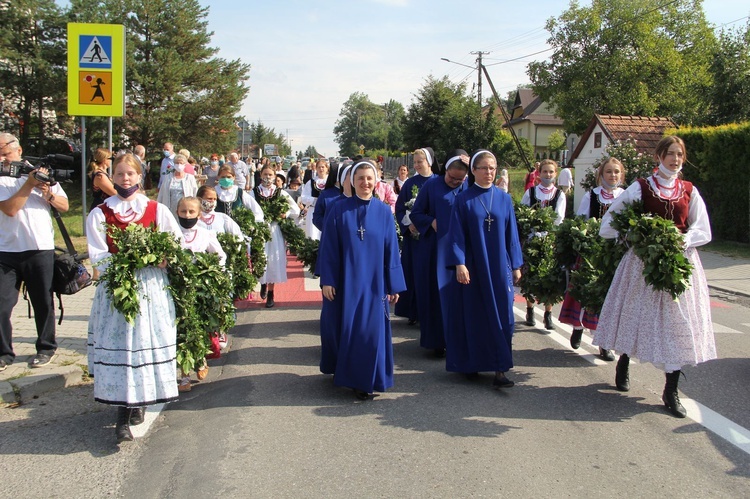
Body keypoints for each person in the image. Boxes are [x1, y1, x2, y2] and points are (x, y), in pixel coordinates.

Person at [594, 136, 715, 418]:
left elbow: (703, 229)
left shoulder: (689, 190)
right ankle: (623, 359)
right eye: (670, 154)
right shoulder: (641, 187)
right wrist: (638, 237)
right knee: (637, 316)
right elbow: (609, 224)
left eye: (680, 155)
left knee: (678, 325)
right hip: (643, 264)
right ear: (659, 156)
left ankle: (670, 389)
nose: (675, 159)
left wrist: (683, 240)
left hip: (679, 264)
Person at [86, 153, 183, 443]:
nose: (125, 178)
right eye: (119, 174)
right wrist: (124, 262)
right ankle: (122, 410)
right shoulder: (101, 213)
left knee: (144, 341)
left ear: (140, 177)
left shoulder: (157, 209)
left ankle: (140, 400)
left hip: (150, 286)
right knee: (122, 343)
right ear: (111, 177)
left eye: (130, 174)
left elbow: (174, 243)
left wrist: (165, 257)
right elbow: (98, 255)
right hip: (118, 286)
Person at [318, 159, 406, 399]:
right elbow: (329, 247)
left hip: (374, 282)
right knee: (348, 329)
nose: (365, 183)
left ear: (376, 181)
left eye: (369, 178)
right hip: (346, 281)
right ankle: (353, 378)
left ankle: (369, 379)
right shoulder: (338, 209)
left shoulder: (384, 212)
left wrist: (393, 283)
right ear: (352, 182)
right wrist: (328, 279)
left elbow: (391, 249)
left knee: (371, 331)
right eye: (360, 179)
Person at [445, 149, 523, 388]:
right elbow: (456, 235)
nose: (489, 172)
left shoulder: (504, 198)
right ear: (474, 171)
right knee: (475, 316)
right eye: (484, 168)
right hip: (474, 267)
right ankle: (472, 364)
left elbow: (512, 234)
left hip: (499, 266)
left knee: (503, 317)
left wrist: (516, 264)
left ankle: (500, 369)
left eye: (492, 168)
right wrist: (460, 263)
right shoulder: (463, 199)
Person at [0, 133, 69, 372]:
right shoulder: (1, 177)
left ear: (18, 151)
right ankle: (4, 353)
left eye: (5, 153)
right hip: (6, 249)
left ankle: (46, 347)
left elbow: (64, 204)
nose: (2, 158)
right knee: (2, 303)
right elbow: (9, 209)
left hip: (39, 247)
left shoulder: (39, 171)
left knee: (43, 301)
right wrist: (29, 185)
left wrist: (46, 191)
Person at [559, 157, 625, 361]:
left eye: (616, 172)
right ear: (601, 175)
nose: (612, 175)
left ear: (621, 175)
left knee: (609, 299)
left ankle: (604, 343)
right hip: (592, 253)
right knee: (586, 293)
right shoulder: (592, 196)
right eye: (608, 172)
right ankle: (578, 326)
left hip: (615, 255)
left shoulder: (625, 196)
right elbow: (581, 220)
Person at [410, 149, 469, 358]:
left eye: (460, 179)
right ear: (445, 171)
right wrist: (431, 221)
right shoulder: (431, 186)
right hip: (435, 248)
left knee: (459, 296)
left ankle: (459, 340)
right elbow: (416, 213)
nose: (455, 182)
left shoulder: (469, 186)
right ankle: (436, 341)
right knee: (435, 295)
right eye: (452, 178)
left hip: (462, 249)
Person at [175, 196, 226, 392]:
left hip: (200, 290)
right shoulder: (171, 233)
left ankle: (201, 359)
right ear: (177, 213)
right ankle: (184, 375)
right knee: (182, 330)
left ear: (198, 214)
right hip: (178, 289)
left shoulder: (205, 234)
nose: (187, 216)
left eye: (191, 212)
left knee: (198, 327)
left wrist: (210, 271)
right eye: (183, 212)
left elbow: (220, 256)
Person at [394, 147, 439, 327]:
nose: (417, 165)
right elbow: (400, 208)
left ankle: (428, 312)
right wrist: (408, 225)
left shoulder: (438, 182)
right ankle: (412, 311)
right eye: (415, 162)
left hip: (431, 237)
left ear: (429, 162)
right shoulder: (410, 183)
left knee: (429, 275)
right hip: (413, 238)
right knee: (412, 274)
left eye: (420, 161)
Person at [520, 158, 566, 329]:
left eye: (551, 172)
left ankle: (548, 313)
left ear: (555, 174)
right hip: (532, 238)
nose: (548, 175)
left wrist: (548, 231)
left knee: (549, 276)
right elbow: (523, 212)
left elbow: (559, 218)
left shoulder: (559, 195)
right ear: (539, 173)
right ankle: (530, 309)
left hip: (549, 240)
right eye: (545, 171)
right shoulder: (531, 192)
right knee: (531, 275)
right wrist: (532, 227)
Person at [250, 163, 300, 308]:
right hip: (259, 230)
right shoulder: (253, 193)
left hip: (274, 230)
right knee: (261, 258)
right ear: (260, 176)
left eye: (270, 175)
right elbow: (246, 208)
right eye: (265, 175)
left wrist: (286, 214)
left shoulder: (280, 193)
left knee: (273, 260)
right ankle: (263, 284)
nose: (267, 177)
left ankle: (271, 293)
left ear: (275, 176)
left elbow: (295, 210)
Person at [156, 153, 198, 217]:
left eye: (181, 163)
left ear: (184, 164)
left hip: (185, 208)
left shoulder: (190, 178)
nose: (179, 165)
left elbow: (195, 193)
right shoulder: (168, 177)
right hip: (170, 208)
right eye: (177, 163)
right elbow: (161, 193)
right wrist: (158, 206)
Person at [299, 159, 330, 241]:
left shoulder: (330, 182)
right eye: (319, 167)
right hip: (313, 210)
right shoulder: (311, 182)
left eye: (323, 167)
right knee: (313, 235)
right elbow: (304, 197)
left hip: (328, 211)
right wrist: (315, 200)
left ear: (327, 168)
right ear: (316, 169)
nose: (321, 169)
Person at [88, 147, 116, 212]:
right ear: (104, 160)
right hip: (100, 209)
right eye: (110, 158)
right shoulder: (100, 176)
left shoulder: (103, 173)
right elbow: (114, 193)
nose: (111, 160)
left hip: (105, 207)